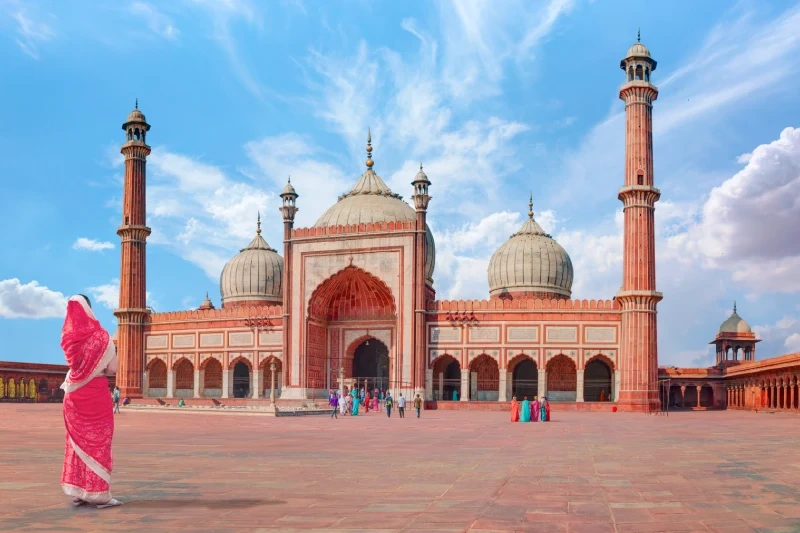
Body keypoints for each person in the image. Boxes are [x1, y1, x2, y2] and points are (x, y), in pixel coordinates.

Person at [60, 294, 122, 508]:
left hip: (74, 395)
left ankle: (78, 493)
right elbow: (113, 368)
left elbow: (73, 365)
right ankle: (100, 495)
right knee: (98, 443)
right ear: (90, 310)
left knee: (76, 444)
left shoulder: (68, 339)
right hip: (95, 393)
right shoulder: (101, 337)